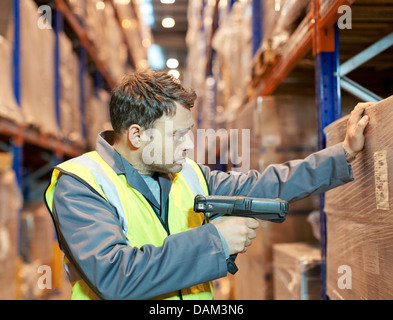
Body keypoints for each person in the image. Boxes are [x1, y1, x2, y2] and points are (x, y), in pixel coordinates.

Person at [45, 69, 373, 300]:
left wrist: (343, 153)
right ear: (136, 135)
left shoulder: (188, 174)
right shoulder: (82, 183)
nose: (188, 145)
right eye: (177, 135)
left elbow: (264, 184)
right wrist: (214, 240)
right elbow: (114, 275)